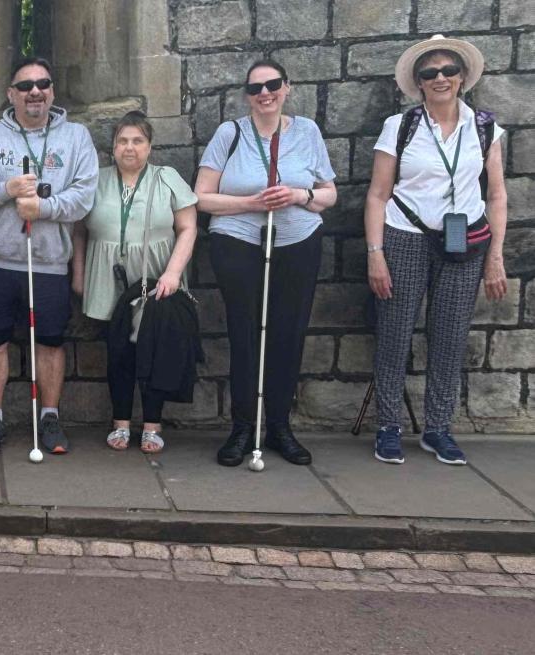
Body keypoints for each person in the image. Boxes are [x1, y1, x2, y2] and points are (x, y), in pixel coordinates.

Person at [365, 36, 508, 466]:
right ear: (419, 82)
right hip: (405, 234)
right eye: (430, 72)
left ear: (462, 77)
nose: (440, 78)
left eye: (448, 70)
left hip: (463, 240)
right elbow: (377, 194)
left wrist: (496, 256)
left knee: (450, 335)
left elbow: (496, 195)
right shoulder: (401, 126)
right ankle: (389, 425)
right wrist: (375, 252)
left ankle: (438, 427)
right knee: (395, 332)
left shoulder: (484, 128)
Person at [194, 60, 338, 467]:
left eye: (272, 84)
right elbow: (201, 197)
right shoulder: (230, 133)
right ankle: (243, 426)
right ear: (247, 95)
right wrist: (251, 203)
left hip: (297, 239)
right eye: (255, 88)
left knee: (288, 333)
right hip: (238, 239)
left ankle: (279, 425)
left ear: (286, 87)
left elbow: (329, 193)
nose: (264, 93)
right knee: (245, 332)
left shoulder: (307, 132)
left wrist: (299, 196)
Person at [0, 57, 98, 455]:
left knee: (51, 342)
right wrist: (6, 190)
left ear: (52, 91)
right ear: (11, 94)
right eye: (25, 86)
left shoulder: (76, 137)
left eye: (42, 84)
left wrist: (43, 208)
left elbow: (84, 197)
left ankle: (50, 417)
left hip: (49, 262)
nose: (34, 91)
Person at [73, 112, 199, 454]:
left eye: (137, 141)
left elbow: (188, 228)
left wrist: (173, 273)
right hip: (107, 275)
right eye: (123, 141)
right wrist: (79, 273)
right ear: (113, 147)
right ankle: (121, 421)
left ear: (149, 146)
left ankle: (153, 424)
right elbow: (79, 231)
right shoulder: (95, 180)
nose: (130, 148)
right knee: (119, 352)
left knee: (155, 348)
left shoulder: (166, 178)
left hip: (155, 275)